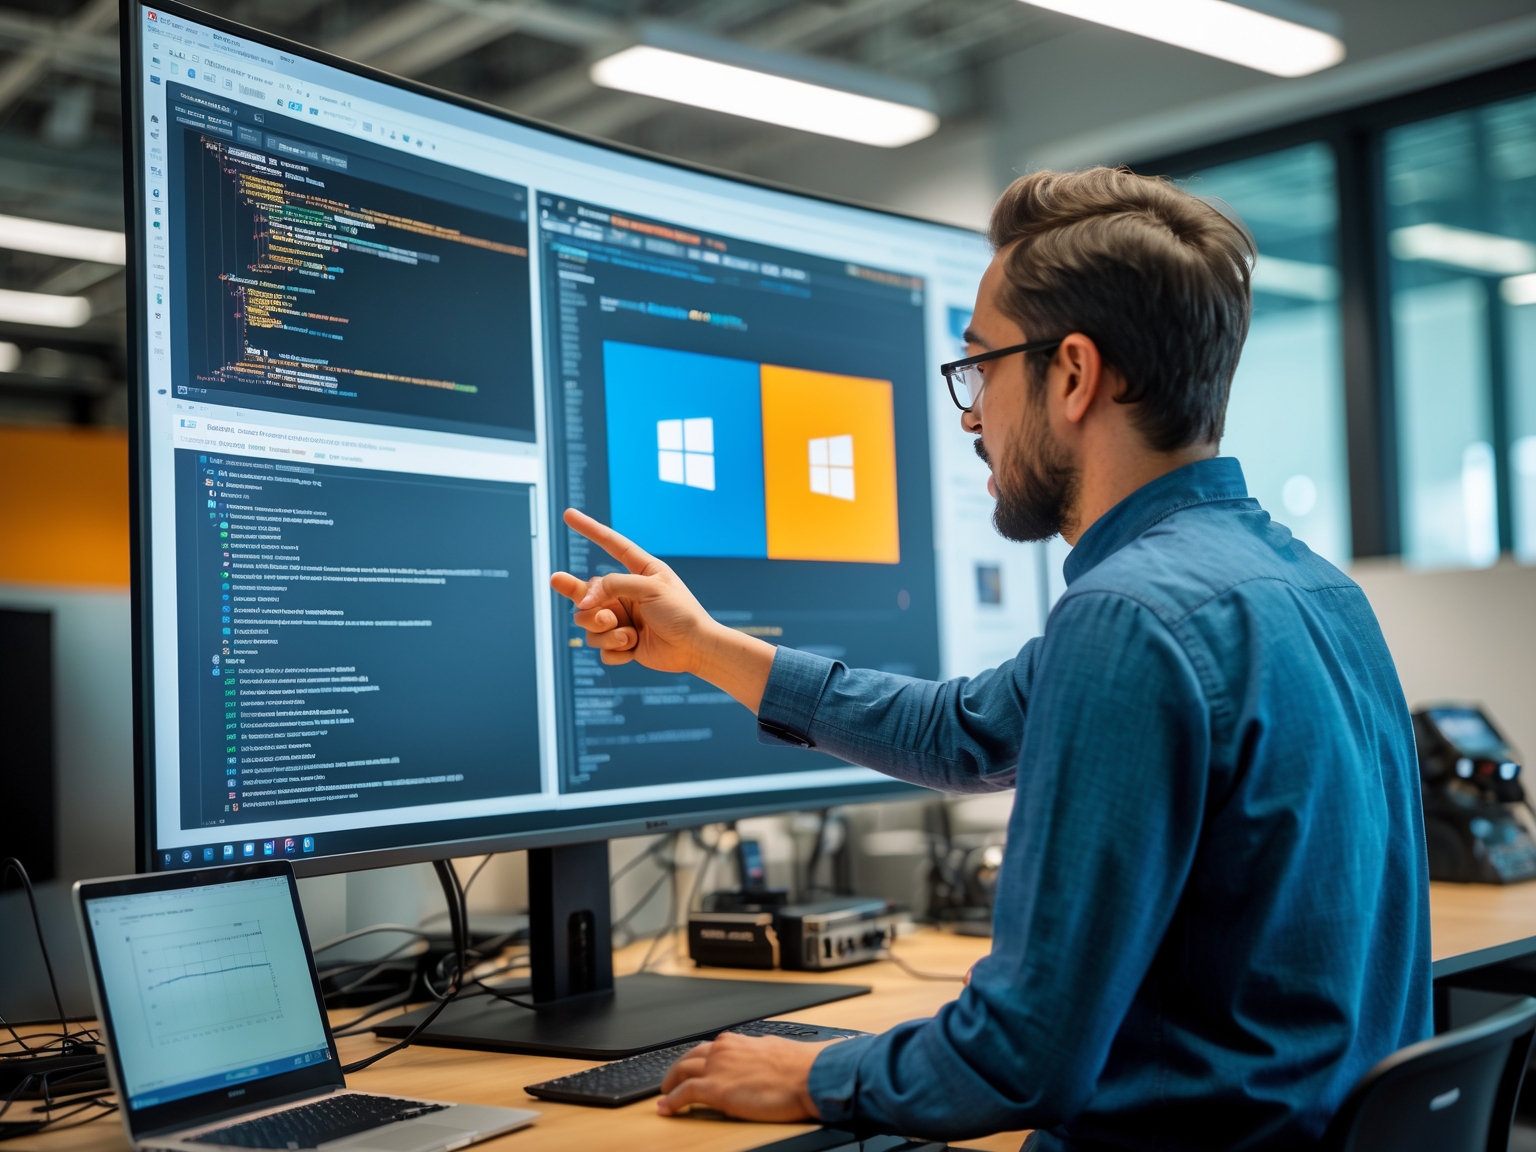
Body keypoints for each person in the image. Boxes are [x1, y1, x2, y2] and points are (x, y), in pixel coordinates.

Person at [550, 167, 1431, 1149]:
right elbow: (965, 732)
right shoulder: (1315, 588)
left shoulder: (1129, 616)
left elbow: (1020, 1057)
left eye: (981, 368)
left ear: (1074, 375)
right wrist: (708, 647)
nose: (971, 418)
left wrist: (816, 1072)